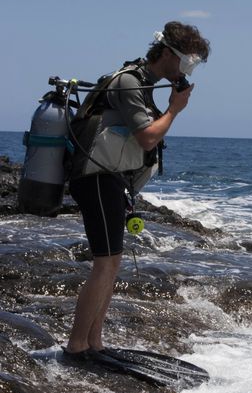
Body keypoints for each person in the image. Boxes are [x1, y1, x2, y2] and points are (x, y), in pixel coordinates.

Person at [65, 21, 210, 355]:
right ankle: (76, 346)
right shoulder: (130, 81)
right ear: (166, 55)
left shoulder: (146, 83)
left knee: (112, 264)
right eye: (187, 62)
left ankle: (94, 342)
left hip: (113, 180)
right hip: (96, 179)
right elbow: (147, 137)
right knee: (104, 264)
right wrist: (175, 109)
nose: (189, 70)